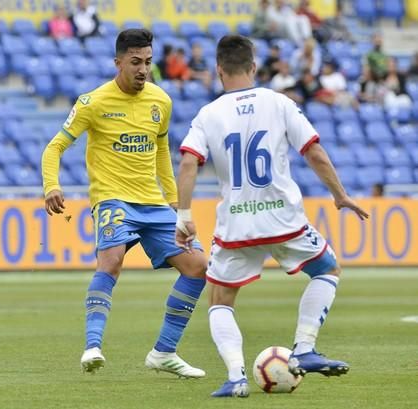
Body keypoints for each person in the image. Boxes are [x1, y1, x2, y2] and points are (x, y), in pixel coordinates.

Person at [175, 35, 369, 398]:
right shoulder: (279, 103)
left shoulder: (208, 113)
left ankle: (236, 378)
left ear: (218, 69)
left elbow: (188, 163)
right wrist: (339, 195)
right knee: (326, 270)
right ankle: (305, 347)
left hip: (236, 225)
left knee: (219, 301)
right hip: (283, 218)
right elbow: (315, 152)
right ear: (253, 66)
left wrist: (184, 215)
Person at [41, 29, 208, 378]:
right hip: (112, 200)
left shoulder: (161, 101)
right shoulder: (93, 103)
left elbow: (162, 153)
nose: (143, 69)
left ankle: (164, 352)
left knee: (198, 267)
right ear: (118, 63)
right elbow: (54, 147)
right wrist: (51, 186)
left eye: (148, 61)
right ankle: (92, 346)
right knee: (112, 261)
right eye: (135, 62)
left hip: (153, 203)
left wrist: (177, 205)